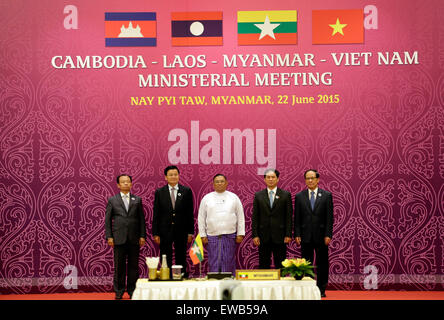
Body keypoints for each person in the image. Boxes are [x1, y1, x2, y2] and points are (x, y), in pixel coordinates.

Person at [105, 174, 146, 299]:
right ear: (118, 185)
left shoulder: (137, 199)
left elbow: (141, 220)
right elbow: (108, 220)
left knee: (133, 266)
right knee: (119, 267)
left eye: (128, 182)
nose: (126, 184)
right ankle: (119, 291)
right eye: (123, 182)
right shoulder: (113, 200)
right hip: (118, 238)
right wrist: (109, 236)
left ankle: (132, 290)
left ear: (131, 184)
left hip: (134, 238)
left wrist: (142, 236)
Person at [294, 169, 334, 297]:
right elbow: (297, 218)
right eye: (307, 178)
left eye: (312, 178)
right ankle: (308, 289)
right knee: (306, 264)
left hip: (322, 236)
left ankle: (321, 289)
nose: (310, 180)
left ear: (318, 179)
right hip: (305, 236)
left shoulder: (326, 195)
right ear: (305, 180)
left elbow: (329, 217)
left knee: (322, 263)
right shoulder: (299, 196)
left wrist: (328, 234)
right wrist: (297, 234)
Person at [198, 174, 245, 275]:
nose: (219, 183)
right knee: (214, 261)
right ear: (213, 184)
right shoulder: (207, 198)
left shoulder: (233, 197)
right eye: (217, 181)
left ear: (226, 183)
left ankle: (229, 284)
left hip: (230, 235)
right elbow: (201, 218)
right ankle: (214, 284)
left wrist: (240, 233)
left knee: (228, 261)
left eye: (222, 181)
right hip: (212, 236)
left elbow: (240, 216)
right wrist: (202, 235)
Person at [152, 165, 194, 278]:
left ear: (179, 176)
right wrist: (155, 233)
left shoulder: (186, 191)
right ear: (166, 177)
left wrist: (190, 232)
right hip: (164, 230)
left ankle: (181, 278)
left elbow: (190, 213)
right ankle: (168, 277)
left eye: (175, 174)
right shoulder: (160, 192)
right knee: (166, 255)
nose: (173, 177)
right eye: (171, 175)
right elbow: (156, 213)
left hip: (182, 230)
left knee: (181, 255)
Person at [252, 169, 293, 269]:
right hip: (263, 236)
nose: (270, 179)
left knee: (281, 264)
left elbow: (289, 216)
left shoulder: (285, 195)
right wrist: (255, 235)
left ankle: (282, 285)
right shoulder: (258, 195)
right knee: (263, 263)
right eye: (268, 177)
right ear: (264, 179)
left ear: (278, 179)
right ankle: (264, 285)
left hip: (280, 236)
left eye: (273, 177)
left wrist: (288, 234)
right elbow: (255, 217)